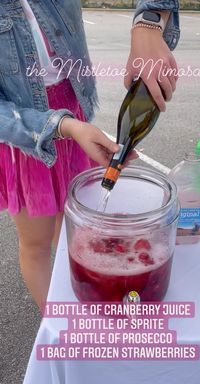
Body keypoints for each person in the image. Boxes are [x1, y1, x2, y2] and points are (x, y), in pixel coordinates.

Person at [0, 0, 180, 309]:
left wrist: (149, 23)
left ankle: (78, 288)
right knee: (37, 243)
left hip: (72, 113)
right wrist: (65, 127)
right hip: (25, 131)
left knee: (71, 225)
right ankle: (57, 321)